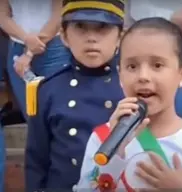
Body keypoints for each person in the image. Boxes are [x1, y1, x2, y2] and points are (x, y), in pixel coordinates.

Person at [76, 17, 182, 191]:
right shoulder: (102, 139)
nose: (143, 76)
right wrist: (115, 155)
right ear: (120, 75)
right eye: (132, 66)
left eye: (157, 65)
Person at [24, 0, 124, 191]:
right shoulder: (48, 89)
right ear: (64, 36)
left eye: (102, 28)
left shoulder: (132, 87)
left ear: (120, 36)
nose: (91, 38)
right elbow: (37, 160)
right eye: (80, 27)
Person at [124, 0, 182, 119]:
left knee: (181, 115)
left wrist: (152, 19)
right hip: (141, 51)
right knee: (139, 119)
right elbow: (136, 9)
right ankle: (149, 139)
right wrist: (170, 18)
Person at [0, 0, 70, 119]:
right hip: (18, 47)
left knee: (58, 111)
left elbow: (59, 14)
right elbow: (2, 15)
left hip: (54, 47)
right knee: (30, 113)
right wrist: (26, 39)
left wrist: (29, 53)